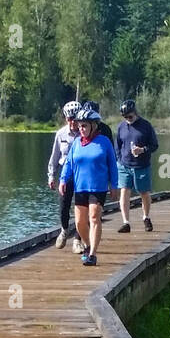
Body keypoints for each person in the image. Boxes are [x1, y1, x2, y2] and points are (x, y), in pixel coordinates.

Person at [59, 103, 119, 267]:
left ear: (93, 126)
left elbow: (112, 164)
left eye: (84, 125)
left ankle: (92, 254)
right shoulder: (77, 143)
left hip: (98, 187)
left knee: (94, 217)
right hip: (80, 187)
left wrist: (114, 184)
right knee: (79, 223)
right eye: (79, 126)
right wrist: (63, 180)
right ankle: (87, 245)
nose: (81, 129)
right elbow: (68, 164)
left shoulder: (104, 142)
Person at [116, 98, 159, 234]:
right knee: (124, 191)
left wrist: (143, 150)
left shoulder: (146, 126)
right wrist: (119, 159)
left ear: (135, 113)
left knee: (144, 192)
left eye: (130, 116)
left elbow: (154, 145)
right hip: (124, 165)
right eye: (125, 117)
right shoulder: (121, 127)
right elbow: (118, 145)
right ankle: (126, 222)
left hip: (142, 165)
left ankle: (146, 217)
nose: (127, 119)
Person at [47, 101, 84, 252]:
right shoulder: (61, 134)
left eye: (75, 119)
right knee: (64, 205)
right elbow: (54, 157)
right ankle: (64, 230)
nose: (73, 122)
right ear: (66, 119)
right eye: (70, 119)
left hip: (82, 172)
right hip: (65, 172)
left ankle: (78, 239)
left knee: (82, 206)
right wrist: (51, 176)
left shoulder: (85, 133)